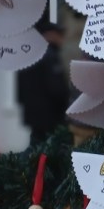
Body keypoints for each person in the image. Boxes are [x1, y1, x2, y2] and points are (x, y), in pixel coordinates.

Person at [17, 18, 70, 146]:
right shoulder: (50, 55)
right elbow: (57, 88)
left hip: (33, 113)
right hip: (49, 114)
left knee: (35, 144)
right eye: (59, 35)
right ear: (50, 35)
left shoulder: (29, 54)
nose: (62, 39)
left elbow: (20, 89)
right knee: (47, 148)